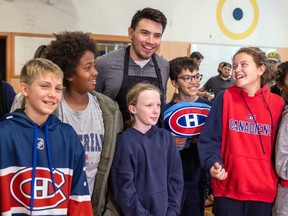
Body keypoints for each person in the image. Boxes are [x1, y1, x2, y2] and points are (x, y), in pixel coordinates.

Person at [11, 31, 123, 216]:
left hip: (91, 208)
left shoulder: (109, 110)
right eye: (87, 68)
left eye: (94, 65)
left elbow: (113, 170)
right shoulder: (45, 106)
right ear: (69, 73)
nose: (95, 72)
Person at [198, 47, 285, 216]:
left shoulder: (278, 104)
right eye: (235, 65)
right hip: (228, 188)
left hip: (263, 192)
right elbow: (209, 139)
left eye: (244, 64)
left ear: (261, 69)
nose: (237, 69)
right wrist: (212, 163)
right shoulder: (224, 98)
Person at [0, 58, 93, 215]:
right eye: (44, 86)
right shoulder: (4, 133)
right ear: (25, 89)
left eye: (58, 89)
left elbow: (79, 198)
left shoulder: (68, 136)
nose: (52, 94)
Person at [110, 82, 183, 215]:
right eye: (149, 105)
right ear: (133, 109)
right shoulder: (125, 141)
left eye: (158, 105)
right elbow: (124, 189)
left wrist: (172, 211)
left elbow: (176, 179)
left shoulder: (166, 138)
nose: (156, 110)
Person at [95, 7, 169, 125]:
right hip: (115, 140)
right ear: (131, 33)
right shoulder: (105, 64)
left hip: (152, 140)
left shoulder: (164, 66)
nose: (150, 41)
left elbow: (161, 105)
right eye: (145, 33)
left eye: (157, 36)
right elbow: (92, 105)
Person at [164, 57, 213, 216]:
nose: (193, 82)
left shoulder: (210, 107)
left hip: (199, 174)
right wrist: (170, 142)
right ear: (174, 83)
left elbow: (217, 139)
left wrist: (205, 141)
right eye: (186, 78)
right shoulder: (165, 111)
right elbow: (157, 142)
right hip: (172, 176)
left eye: (197, 76)